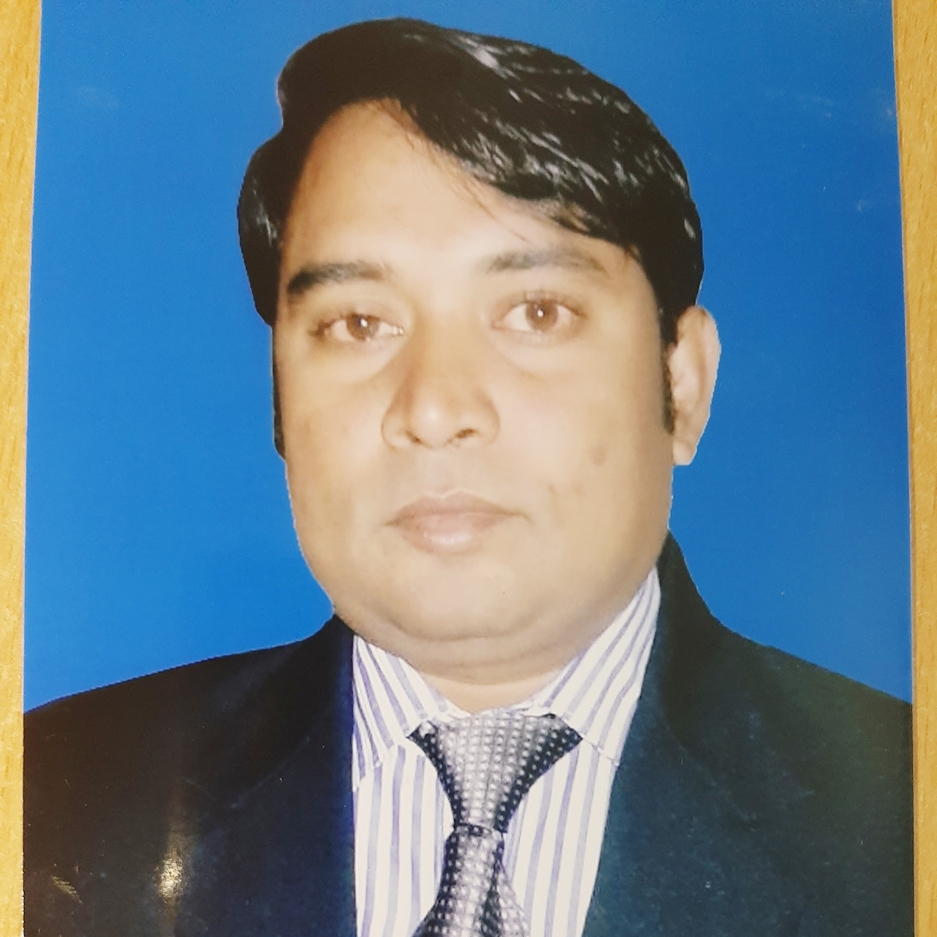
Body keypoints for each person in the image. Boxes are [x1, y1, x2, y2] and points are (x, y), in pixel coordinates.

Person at [24, 18, 912, 937]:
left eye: (536, 312)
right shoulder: (50, 794)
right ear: (280, 397)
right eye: (358, 324)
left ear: (681, 384)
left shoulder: (898, 820)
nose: (434, 407)